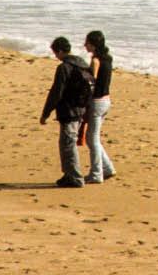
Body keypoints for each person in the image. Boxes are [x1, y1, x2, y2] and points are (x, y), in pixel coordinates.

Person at [39, 36, 90, 188]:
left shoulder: (64, 68)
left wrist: (46, 113)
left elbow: (56, 92)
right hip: (81, 109)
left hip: (69, 111)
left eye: (55, 53)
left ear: (60, 51)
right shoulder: (82, 64)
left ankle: (75, 177)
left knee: (68, 144)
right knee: (67, 143)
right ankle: (68, 175)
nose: (56, 56)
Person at [82, 30, 117, 184]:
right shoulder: (108, 58)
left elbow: (92, 80)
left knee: (93, 139)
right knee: (92, 138)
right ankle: (107, 168)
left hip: (97, 102)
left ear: (93, 45)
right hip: (106, 101)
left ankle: (97, 173)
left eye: (87, 43)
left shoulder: (96, 60)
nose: (85, 45)